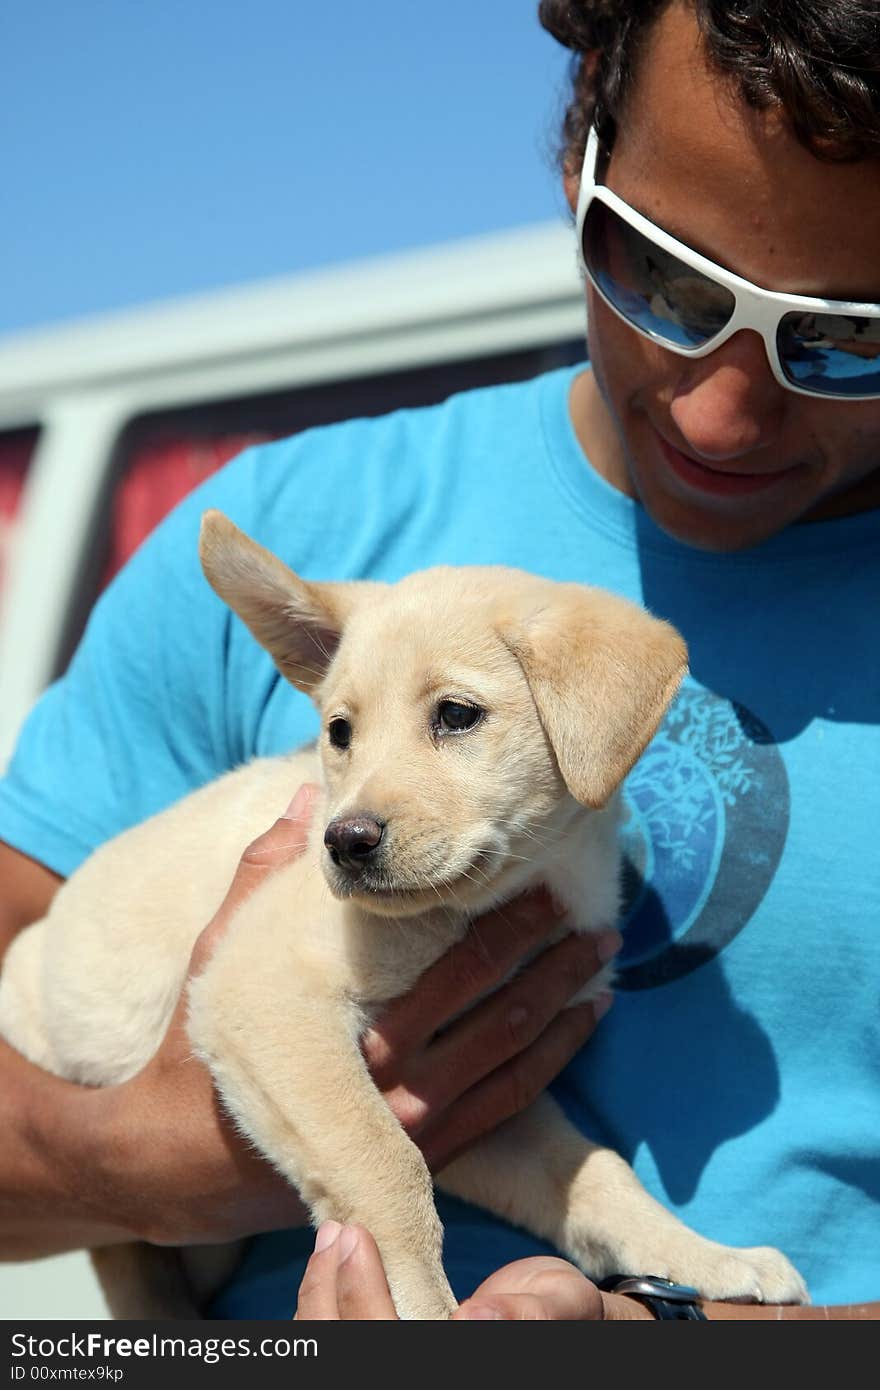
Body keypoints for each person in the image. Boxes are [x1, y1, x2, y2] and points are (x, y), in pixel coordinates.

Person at [1, 0, 879, 1321]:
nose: (720, 407)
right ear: (587, 120)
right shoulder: (302, 539)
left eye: (849, 335)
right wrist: (158, 1162)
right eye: (665, 278)